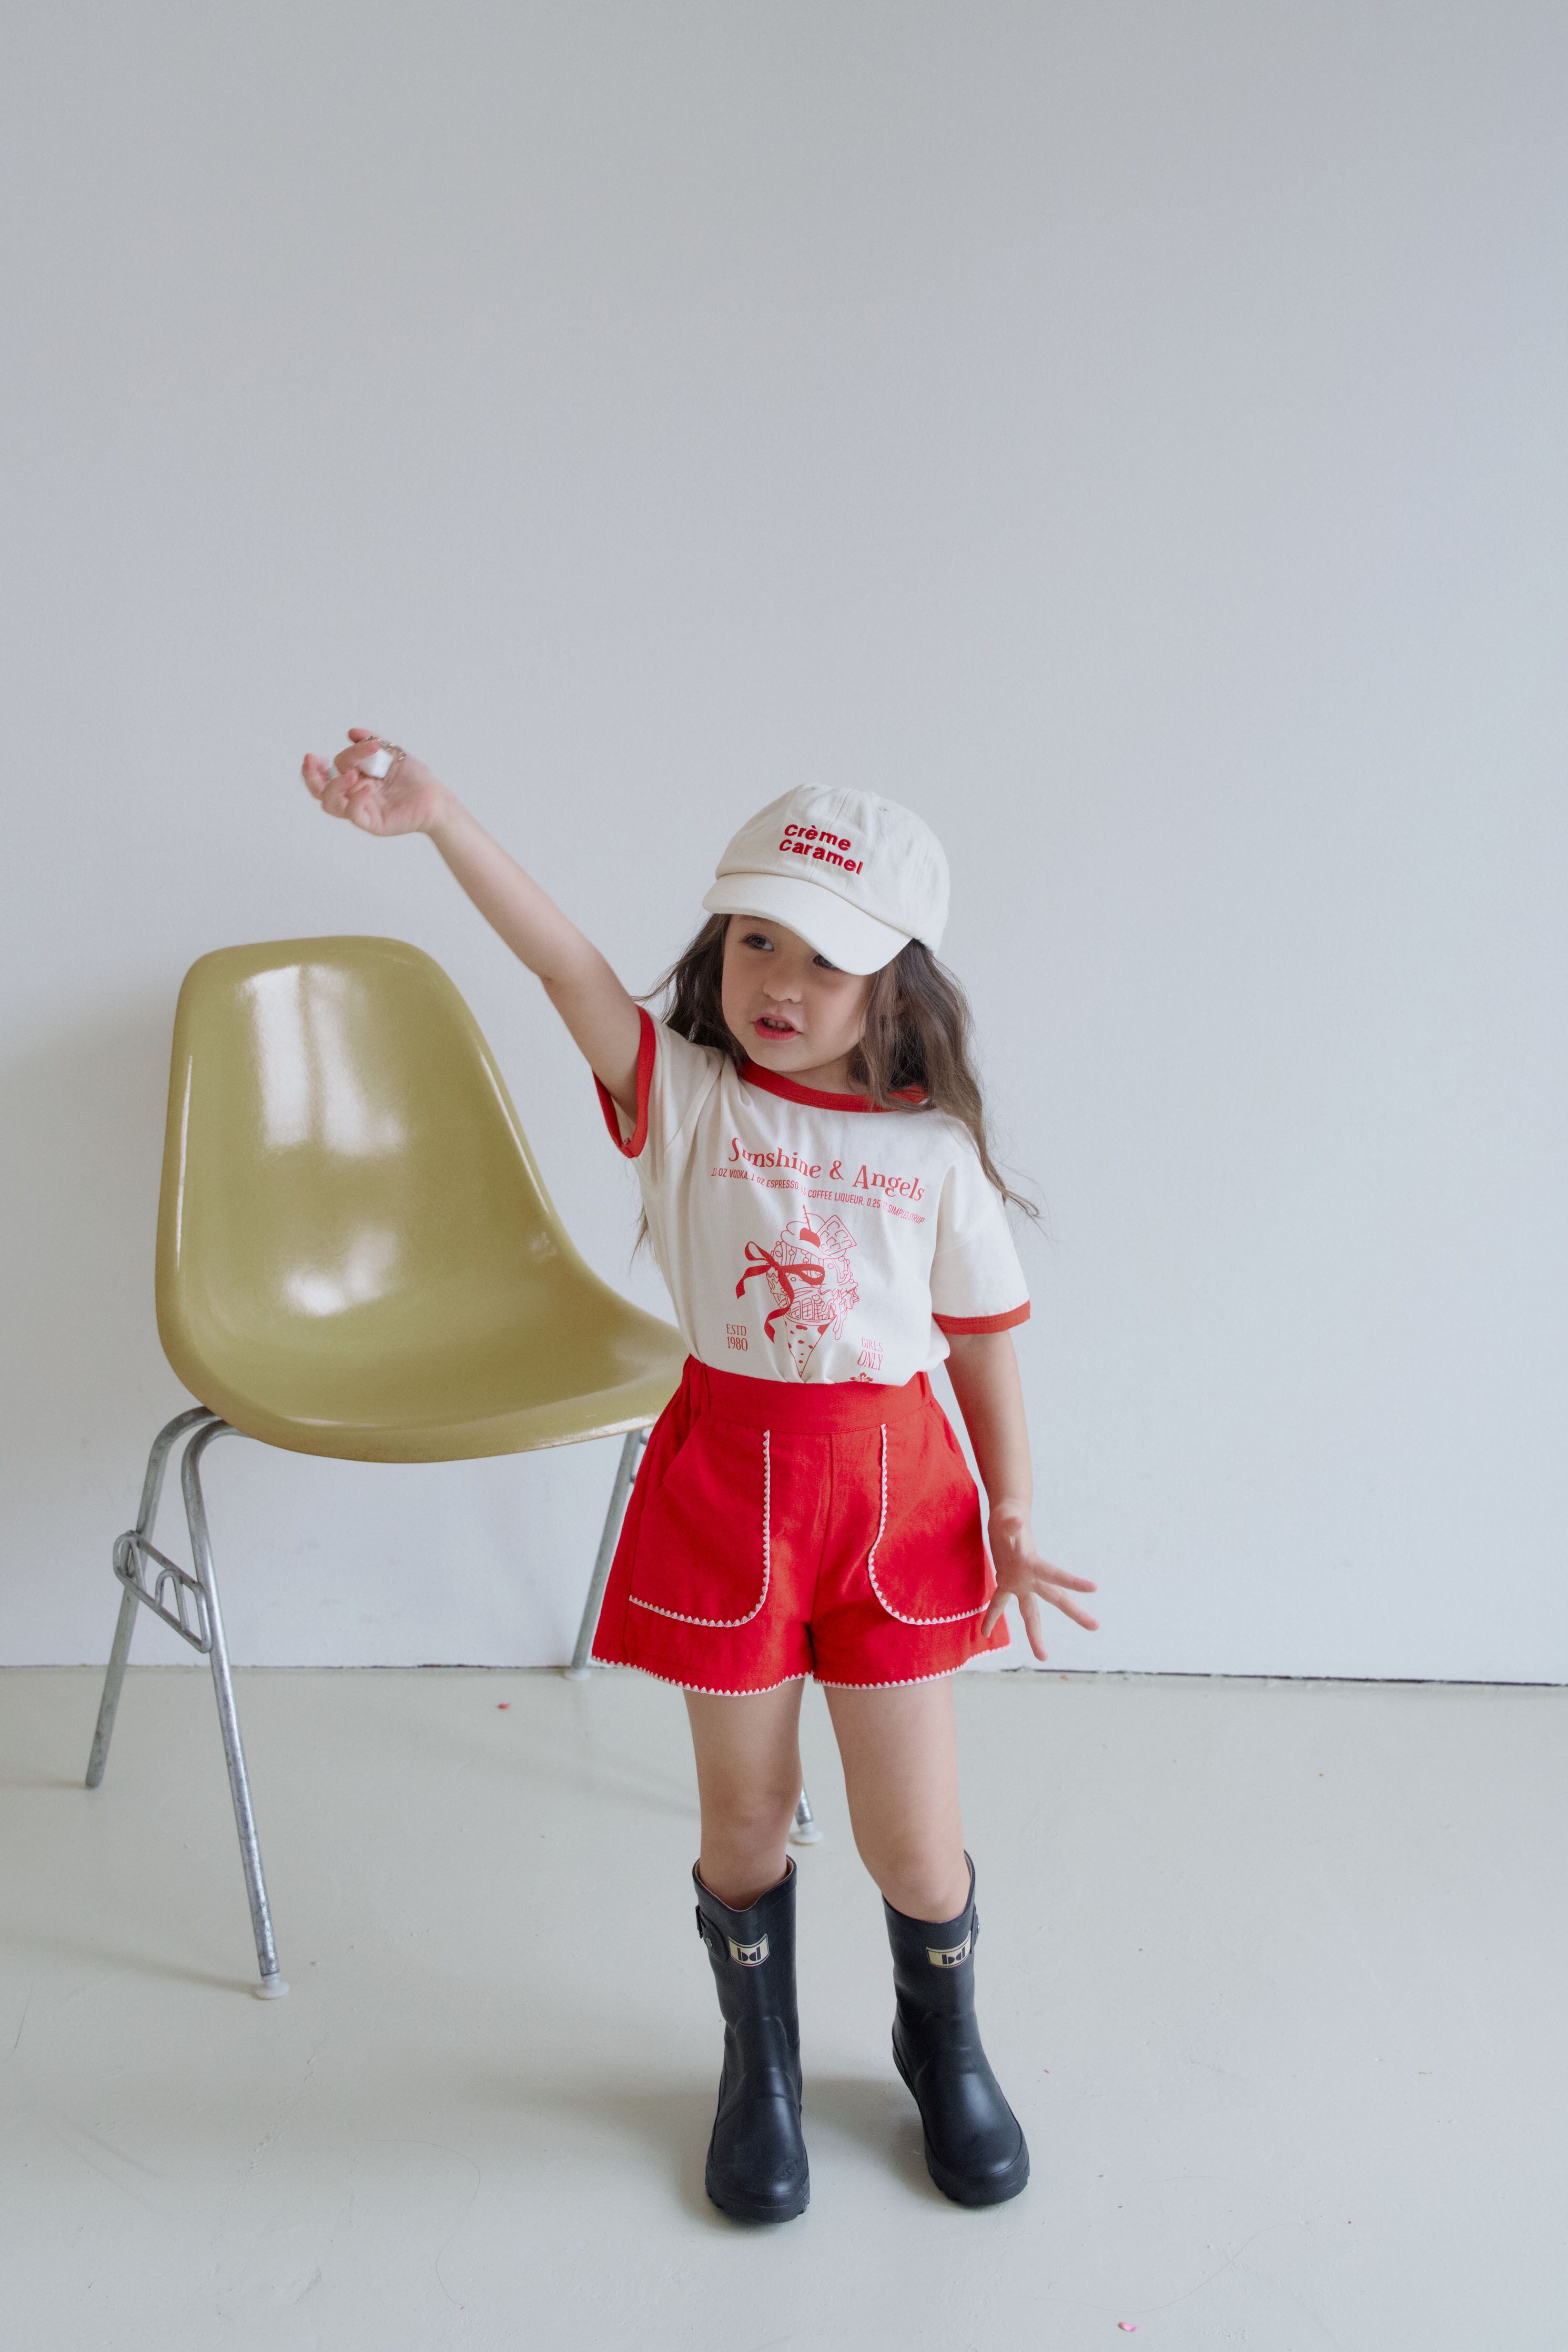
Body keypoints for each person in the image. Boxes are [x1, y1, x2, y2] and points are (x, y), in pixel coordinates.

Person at [302, 732, 1099, 2222]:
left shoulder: (935, 1155)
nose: (779, 982)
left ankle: (944, 2047)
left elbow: (985, 1347)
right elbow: (565, 968)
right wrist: (443, 819)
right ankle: (762, 2070)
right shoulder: (684, 1099)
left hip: (893, 1499)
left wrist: (1013, 1510)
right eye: (755, 942)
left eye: (825, 959)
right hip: (729, 1487)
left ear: (896, 986)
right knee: (746, 1822)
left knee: (913, 1845)